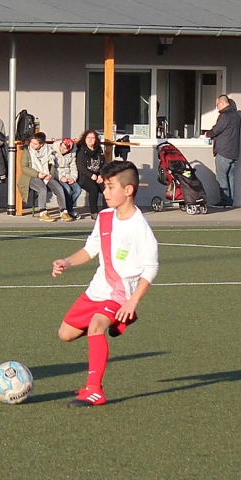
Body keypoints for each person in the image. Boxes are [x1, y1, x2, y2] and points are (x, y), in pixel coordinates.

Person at [52, 160, 159, 408]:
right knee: (65, 334)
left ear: (128, 190)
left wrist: (133, 301)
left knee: (96, 328)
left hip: (120, 296)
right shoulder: (105, 217)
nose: (105, 192)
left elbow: (152, 267)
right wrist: (66, 262)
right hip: (96, 290)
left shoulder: (140, 228)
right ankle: (121, 320)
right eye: (105, 186)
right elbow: (91, 249)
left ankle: (94, 390)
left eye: (110, 187)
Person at [19, 132, 70, 221]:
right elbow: (24, 167)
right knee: (42, 188)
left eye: (35, 144)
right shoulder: (27, 151)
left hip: (46, 175)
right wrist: (38, 174)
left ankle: (64, 212)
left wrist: (51, 174)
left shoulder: (48, 151)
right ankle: (43, 213)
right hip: (31, 176)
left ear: (41, 144)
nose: (32, 145)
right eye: (32, 142)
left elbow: (52, 165)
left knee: (59, 188)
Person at [206, 94, 241, 207]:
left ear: (222, 103)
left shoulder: (224, 116)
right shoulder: (236, 116)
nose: (217, 108)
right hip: (233, 151)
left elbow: (217, 130)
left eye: (217, 105)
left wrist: (208, 134)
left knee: (221, 177)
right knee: (231, 176)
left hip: (224, 151)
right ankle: (230, 201)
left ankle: (225, 201)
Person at [75, 129, 105, 219]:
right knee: (93, 189)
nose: (90, 139)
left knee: (106, 188)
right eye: (88, 137)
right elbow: (80, 166)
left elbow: (104, 164)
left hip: (98, 175)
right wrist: (91, 175)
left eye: (93, 137)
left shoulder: (99, 149)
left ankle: (106, 210)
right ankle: (94, 212)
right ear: (84, 138)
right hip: (84, 176)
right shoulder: (81, 150)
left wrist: (101, 175)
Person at [55, 137, 81, 221]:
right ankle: (69, 210)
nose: (62, 149)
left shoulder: (72, 154)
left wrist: (73, 177)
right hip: (57, 176)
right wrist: (60, 177)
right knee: (67, 189)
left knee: (77, 190)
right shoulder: (53, 151)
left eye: (65, 149)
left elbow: (73, 167)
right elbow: (52, 168)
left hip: (69, 175)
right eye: (61, 147)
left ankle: (67, 209)